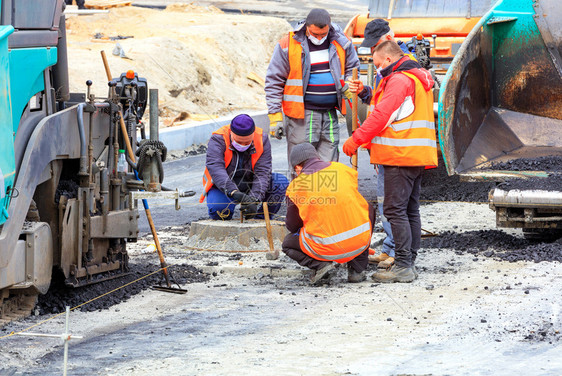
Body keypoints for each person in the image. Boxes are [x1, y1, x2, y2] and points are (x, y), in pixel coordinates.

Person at [343, 41, 438, 283]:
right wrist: (366, 92)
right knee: (409, 210)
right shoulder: (416, 78)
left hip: (399, 155)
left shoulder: (399, 80)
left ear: (387, 60)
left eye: (377, 65)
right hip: (414, 156)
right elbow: (390, 108)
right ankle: (409, 261)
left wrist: (356, 140)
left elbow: (381, 116)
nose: (377, 70)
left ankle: (404, 266)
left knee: (395, 210)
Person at [265, 8, 360, 163]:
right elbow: (274, 81)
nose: (319, 38)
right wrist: (275, 115)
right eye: (314, 34)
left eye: (323, 35)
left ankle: (325, 188)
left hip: (330, 112)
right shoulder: (289, 44)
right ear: (306, 27)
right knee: (302, 162)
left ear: (329, 27)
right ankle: (303, 188)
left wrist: (349, 83)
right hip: (301, 116)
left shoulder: (342, 42)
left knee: (329, 161)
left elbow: (352, 67)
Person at [283, 143, 375, 285]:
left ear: (297, 167)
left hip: (324, 249)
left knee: (287, 244)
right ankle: (358, 269)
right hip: (359, 244)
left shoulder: (296, 187)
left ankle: (321, 266)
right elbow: (353, 203)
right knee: (367, 208)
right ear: (316, 157)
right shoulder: (342, 169)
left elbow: (292, 225)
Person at [199, 114, 289, 220]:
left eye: (247, 142)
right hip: (223, 185)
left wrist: (254, 199)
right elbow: (216, 168)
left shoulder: (261, 138)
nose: (242, 145)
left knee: (281, 182)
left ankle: (259, 219)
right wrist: (233, 191)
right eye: (238, 142)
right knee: (219, 211)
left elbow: (263, 171)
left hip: (250, 182)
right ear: (231, 133)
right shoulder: (219, 138)